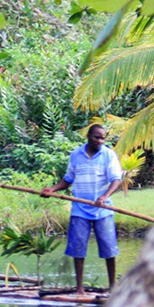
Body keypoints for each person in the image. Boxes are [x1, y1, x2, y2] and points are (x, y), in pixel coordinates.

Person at [41, 124, 123, 295]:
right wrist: (52, 190)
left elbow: (116, 180)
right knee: (78, 248)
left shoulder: (108, 155)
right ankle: (79, 288)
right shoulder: (76, 155)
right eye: (97, 137)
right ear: (88, 136)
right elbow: (68, 179)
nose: (100, 141)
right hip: (80, 209)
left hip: (103, 209)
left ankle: (113, 287)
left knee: (109, 248)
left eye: (103, 138)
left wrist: (105, 196)